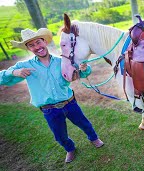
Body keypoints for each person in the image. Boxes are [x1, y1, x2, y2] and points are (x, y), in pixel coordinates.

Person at [0, 28, 104, 163]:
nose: (37, 47)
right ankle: (70, 149)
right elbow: (2, 79)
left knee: (84, 123)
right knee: (59, 135)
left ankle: (93, 138)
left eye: (38, 42)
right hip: (49, 109)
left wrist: (85, 69)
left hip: (69, 102)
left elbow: (82, 73)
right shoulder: (24, 66)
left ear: (44, 41)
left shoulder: (62, 61)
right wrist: (14, 72)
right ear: (28, 48)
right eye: (31, 45)